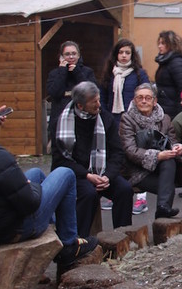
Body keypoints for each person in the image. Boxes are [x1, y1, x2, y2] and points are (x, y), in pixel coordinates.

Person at [0, 100, 97, 266]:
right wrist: (30, 186)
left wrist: (28, 185)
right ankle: (69, 245)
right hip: (12, 229)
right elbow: (29, 203)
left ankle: (57, 227)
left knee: (36, 172)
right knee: (65, 174)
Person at [52, 81, 134, 236]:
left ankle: (122, 236)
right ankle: (79, 239)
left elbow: (117, 152)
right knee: (88, 194)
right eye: (94, 102)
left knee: (124, 189)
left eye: (98, 99)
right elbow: (60, 160)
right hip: (76, 174)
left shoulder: (105, 118)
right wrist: (87, 175)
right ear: (80, 105)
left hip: (102, 171)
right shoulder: (61, 122)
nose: (99, 105)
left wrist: (108, 176)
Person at [119, 83, 182, 220]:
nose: (144, 101)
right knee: (168, 187)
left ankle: (163, 209)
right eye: (140, 98)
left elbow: (172, 141)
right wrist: (157, 155)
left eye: (148, 98)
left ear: (155, 101)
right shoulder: (127, 119)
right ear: (134, 101)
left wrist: (177, 148)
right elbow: (130, 150)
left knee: (169, 161)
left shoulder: (165, 119)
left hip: (161, 169)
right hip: (137, 171)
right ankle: (163, 212)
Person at [46, 41, 96, 143]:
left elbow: (91, 91)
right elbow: (54, 93)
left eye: (74, 54)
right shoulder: (54, 74)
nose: (71, 57)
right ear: (61, 57)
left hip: (82, 118)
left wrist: (77, 72)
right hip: (59, 118)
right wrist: (62, 72)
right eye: (67, 54)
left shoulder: (87, 72)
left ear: (78, 55)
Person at [100, 38, 149, 116]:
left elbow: (146, 95)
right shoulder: (109, 72)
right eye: (121, 52)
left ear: (132, 55)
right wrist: (106, 115)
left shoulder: (140, 73)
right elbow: (102, 96)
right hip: (112, 117)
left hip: (133, 117)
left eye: (127, 53)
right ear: (116, 54)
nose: (124, 55)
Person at [154, 30, 182, 118]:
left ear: (171, 44)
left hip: (172, 110)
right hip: (164, 107)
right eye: (159, 43)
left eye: (163, 43)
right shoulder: (165, 62)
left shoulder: (177, 63)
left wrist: (180, 114)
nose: (159, 46)